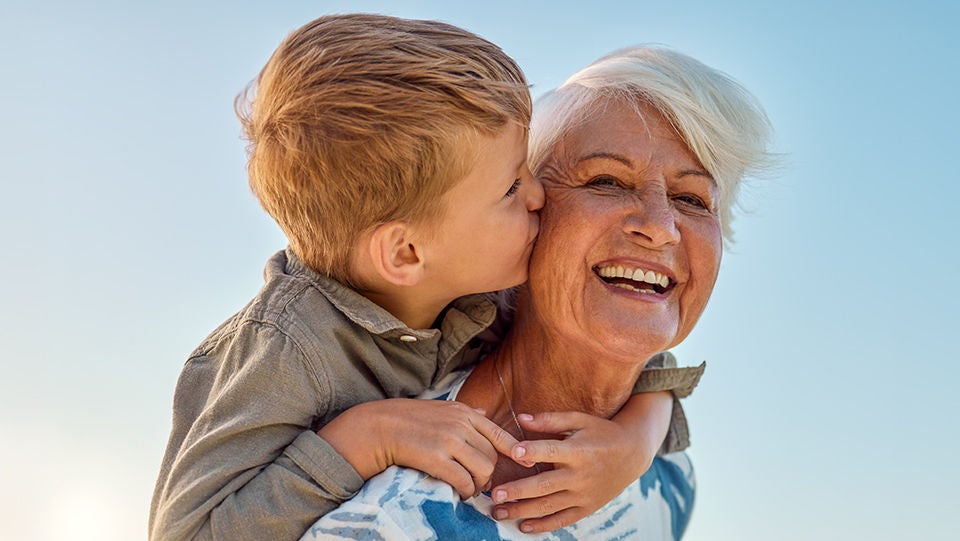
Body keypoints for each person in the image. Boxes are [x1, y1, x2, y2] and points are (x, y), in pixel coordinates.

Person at [149, 16, 698, 541]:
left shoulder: (477, 284)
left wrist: (635, 443)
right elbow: (191, 532)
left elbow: (643, 356)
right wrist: (364, 440)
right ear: (406, 253)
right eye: (510, 188)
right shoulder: (284, 351)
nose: (538, 196)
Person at [302, 44, 775, 540]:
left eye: (691, 199)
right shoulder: (387, 513)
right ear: (528, 216)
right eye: (608, 181)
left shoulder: (670, 479)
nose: (661, 228)